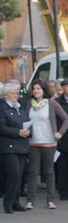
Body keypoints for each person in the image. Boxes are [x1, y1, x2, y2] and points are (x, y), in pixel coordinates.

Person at [23, 81, 68, 210]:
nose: (36, 91)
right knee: (33, 172)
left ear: (44, 90)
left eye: (38, 88)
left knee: (49, 171)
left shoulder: (51, 103)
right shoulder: (29, 104)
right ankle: (30, 200)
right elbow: (26, 120)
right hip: (33, 142)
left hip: (49, 142)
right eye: (34, 89)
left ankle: (50, 199)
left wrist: (60, 133)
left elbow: (66, 119)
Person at [0, 83, 28, 213]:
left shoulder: (20, 107)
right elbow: (1, 127)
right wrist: (17, 132)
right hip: (8, 146)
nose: (16, 95)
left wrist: (28, 131)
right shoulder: (2, 108)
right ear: (5, 95)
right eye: (12, 93)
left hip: (21, 145)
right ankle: (8, 202)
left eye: (16, 93)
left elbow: (26, 121)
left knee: (19, 175)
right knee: (14, 173)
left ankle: (16, 201)